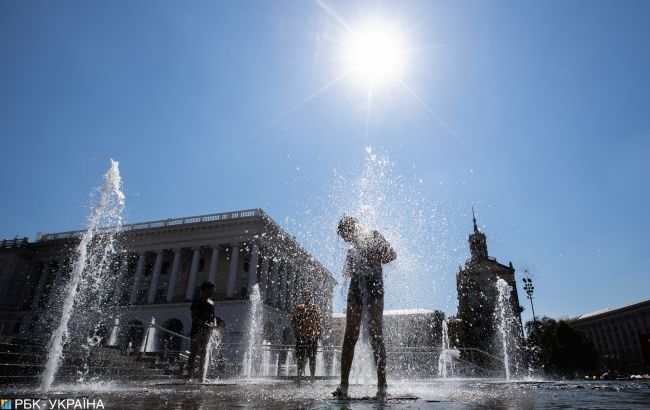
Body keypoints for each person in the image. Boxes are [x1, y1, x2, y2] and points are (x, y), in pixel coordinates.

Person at [333, 215, 396, 399]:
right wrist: (353, 266)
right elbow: (345, 272)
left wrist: (372, 261)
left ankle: (382, 386)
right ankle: (343, 386)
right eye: (345, 238)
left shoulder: (374, 236)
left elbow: (392, 254)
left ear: (352, 228)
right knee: (349, 335)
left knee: (376, 333)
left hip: (375, 286)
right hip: (356, 288)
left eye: (346, 234)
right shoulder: (351, 251)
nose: (347, 240)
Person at [186, 281, 217, 379]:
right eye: (211, 289)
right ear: (205, 290)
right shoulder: (197, 301)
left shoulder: (211, 303)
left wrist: (214, 325)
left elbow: (213, 317)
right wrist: (206, 324)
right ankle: (189, 377)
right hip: (196, 330)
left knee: (204, 353)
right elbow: (194, 316)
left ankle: (201, 377)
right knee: (193, 353)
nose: (213, 291)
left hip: (207, 331)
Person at [291, 292, 323, 382]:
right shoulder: (299, 308)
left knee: (312, 357)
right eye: (305, 295)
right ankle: (299, 377)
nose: (307, 297)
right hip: (301, 336)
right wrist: (295, 332)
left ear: (311, 297)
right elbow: (293, 321)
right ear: (303, 297)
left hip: (312, 336)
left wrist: (318, 333)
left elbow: (319, 321)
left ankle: (312, 377)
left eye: (308, 296)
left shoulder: (316, 308)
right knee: (300, 357)